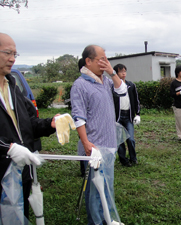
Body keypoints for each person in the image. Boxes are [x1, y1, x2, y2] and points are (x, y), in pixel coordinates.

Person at [0, 33, 58, 220]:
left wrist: (50, 124)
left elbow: (28, 124)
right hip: (2, 171)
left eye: (15, 54)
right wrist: (7, 147)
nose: (12, 59)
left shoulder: (12, 86)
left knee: (18, 214)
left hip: (19, 170)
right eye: (7, 52)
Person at [71, 45, 126, 225]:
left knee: (107, 186)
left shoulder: (106, 80)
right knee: (95, 189)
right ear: (88, 61)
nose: (105, 63)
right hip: (94, 146)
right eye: (101, 60)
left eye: (106, 59)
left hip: (109, 143)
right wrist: (86, 142)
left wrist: (111, 72)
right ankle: (96, 221)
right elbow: (78, 117)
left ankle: (107, 219)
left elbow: (122, 91)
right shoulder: (80, 85)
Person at [112, 64, 140, 167]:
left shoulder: (131, 85)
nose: (123, 73)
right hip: (117, 117)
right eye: (121, 71)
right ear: (116, 73)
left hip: (128, 116)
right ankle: (123, 160)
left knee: (131, 139)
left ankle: (133, 158)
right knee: (119, 141)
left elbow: (136, 101)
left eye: (125, 71)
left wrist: (137, 114)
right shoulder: (112, 87)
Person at [170, 65, 181, 141]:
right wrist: (179, 93)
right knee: (180, 121)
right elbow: (172, 94)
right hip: (178, 105)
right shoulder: (174, 83)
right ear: (178, 72)